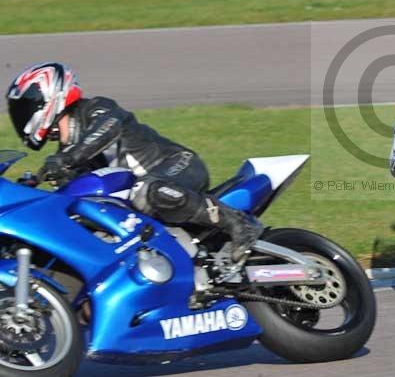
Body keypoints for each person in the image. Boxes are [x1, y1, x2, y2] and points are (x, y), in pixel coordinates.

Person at [5, 62, 262, 261]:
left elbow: (107, 129)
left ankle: (237, 222)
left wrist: (67, 159)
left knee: (148, 191)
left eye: (26, 106)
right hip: (144, 195)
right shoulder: (67, 149)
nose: (22, 115)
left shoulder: (96, 109)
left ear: (50, 96)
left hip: (177, 164)